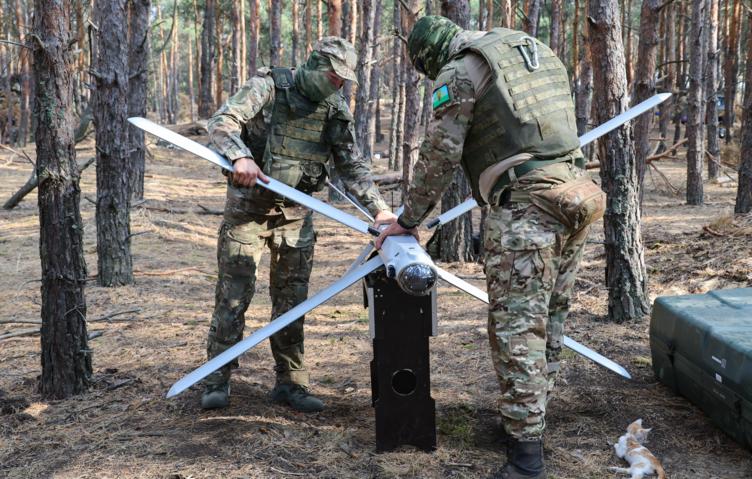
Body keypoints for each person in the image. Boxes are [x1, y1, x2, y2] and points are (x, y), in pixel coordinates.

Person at [375, 16, 605, 479]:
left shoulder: (461, 70)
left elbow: (441, 154)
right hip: (577, 195)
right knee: (549, 320)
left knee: (518, 331)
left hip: (526, 209)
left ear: (428, 56)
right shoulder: (528, 51)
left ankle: (525, 459)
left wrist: (407, 221)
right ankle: (529, 424)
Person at [204, 37, 395, 413]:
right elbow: (222, 122)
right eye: (334, 77)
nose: (339, 85)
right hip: (248, 214)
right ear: (314, 65)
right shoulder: (269, 87)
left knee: (292, 302)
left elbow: (351, 165)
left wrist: (380, 210)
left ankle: (290, 382)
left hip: (296, 218)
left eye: (344, 81)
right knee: (233, 297)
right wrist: (240, 156)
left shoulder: (334, 109)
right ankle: (216, 378)